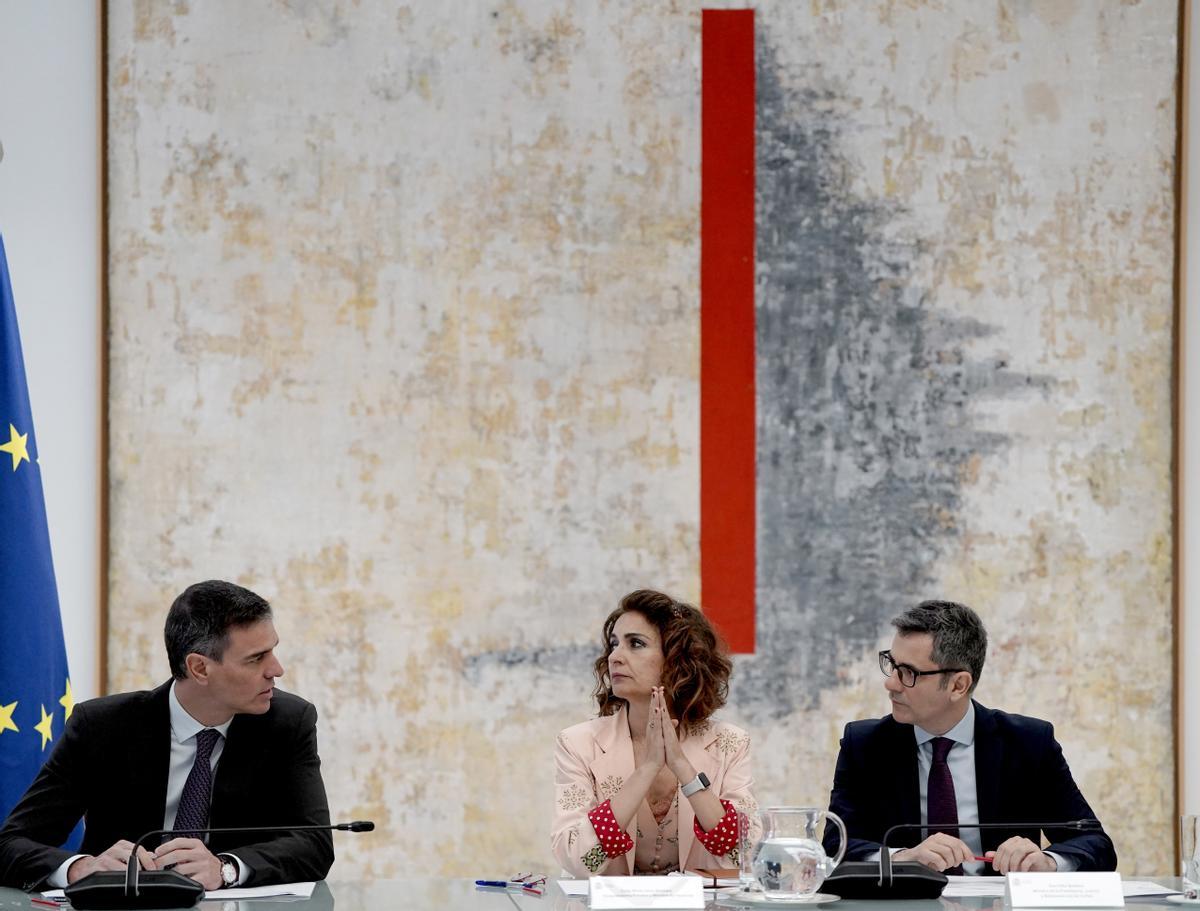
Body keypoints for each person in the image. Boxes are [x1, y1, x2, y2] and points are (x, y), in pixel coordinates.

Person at [0, 580, 334, 891]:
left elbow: (315, 844)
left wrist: (226, 868)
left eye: (272, 650)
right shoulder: (102, 726)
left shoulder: (288, 723)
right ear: (199, 668)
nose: (276, 669)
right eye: (256, 658)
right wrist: (80, 868)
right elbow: (10, 845)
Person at [823, 600, 1116, 875]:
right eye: (892, 665)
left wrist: (1047, 862)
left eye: (908, 673)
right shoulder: (865, 744)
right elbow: (834, 846)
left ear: (958, 685)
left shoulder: (1028, 743)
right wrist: (902, 858)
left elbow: (1095, 843)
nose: (890, 683)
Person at [552, 589, 757, 876]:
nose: (615, 657)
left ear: (677, 659)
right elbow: (577, 859)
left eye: (635, 643)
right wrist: (647, 768)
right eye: (613, 644)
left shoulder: (729, 743)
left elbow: (745, 852)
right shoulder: (578, 743)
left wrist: (683, 768)